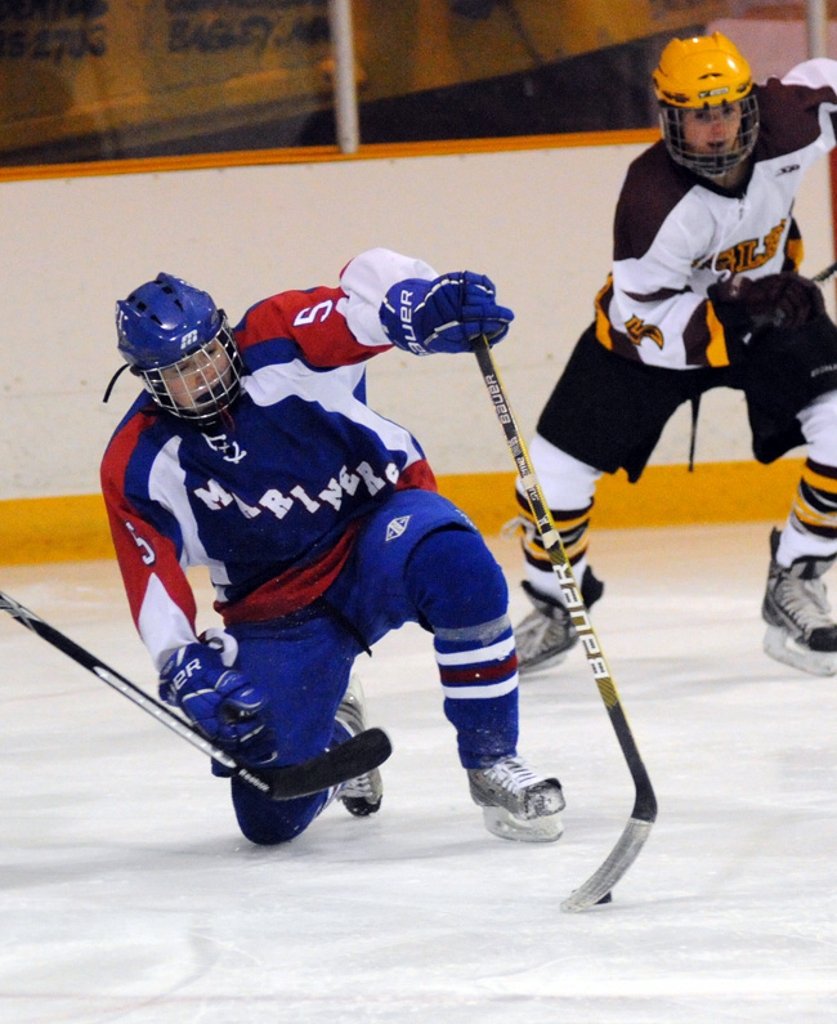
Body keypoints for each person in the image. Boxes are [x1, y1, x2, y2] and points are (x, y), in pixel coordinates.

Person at [101, 248, 565, 846]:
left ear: (223, 332)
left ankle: (492, 761)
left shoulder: (277, 337)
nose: (205, 375)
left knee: (460, 567)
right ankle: (339, 735)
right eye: (181, 372)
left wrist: (421, 309)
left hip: (378, 538)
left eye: (209, 353)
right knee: (269, 816)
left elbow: (360, 304)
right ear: (148, 381)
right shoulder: (139, 462)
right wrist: (182, 662)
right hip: (278, 612)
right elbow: (152, 579)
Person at [513, 31, 837, 678]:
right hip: (653, 340)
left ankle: (795, 576)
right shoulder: (651, 199)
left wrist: (758, 308)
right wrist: (738, 314)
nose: (714, 130)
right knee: (549, 477)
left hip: (774, 309)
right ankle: (554, 603)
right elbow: (643, 319)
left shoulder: (791, 122)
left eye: (724, 110)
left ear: (748, 105)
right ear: (669, 117)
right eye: (696, 115)